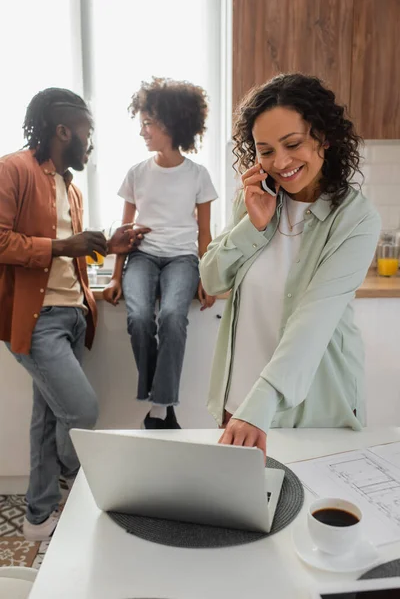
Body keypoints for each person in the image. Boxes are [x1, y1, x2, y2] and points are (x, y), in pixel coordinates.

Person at [200, 73, 381, 457]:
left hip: (310, 407)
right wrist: (253, 224)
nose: (280, 162)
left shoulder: (356, 219)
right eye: (265, 151)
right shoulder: (255, 199)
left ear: (325, 137)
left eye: (293, 144)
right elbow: (212, 280)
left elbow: (312, 323)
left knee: (307, 514)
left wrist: (260, 404)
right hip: (241, 404)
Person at [0, 87, 148, 541]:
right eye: (87, 131)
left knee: (47, 418)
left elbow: (72, 253)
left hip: (73, 317)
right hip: (34, 319)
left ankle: (38, 515)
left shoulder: (71, 186)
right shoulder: (12, 170)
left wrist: (109, 244)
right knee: (81, 411)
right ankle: (75, 473)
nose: (91, 141)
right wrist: (67, 245)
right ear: (63, 130)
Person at [104, 77, 218, 429]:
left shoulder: (197, 175)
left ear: (171, 124)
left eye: (148, 124)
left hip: (183, 260)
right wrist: (114, 275)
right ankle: (163, 405)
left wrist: (208, 278)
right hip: (142, 257)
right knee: (138, 317)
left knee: (172, 317)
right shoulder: (136, 173)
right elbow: (123, 235)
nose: (143, 132)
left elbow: (204, 233)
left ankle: (158, 407)